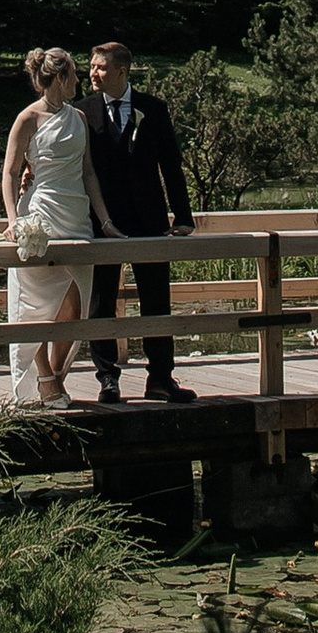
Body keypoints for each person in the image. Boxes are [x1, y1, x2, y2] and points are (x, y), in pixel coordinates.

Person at [0, 46, 115, 407]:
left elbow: (88, 172)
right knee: (35, 303)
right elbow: (10, 171)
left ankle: (55, 372)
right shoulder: (28, 118)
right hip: (41, 213)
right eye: (75, 75)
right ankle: (46, 381)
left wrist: (106, 222)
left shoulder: (78, 118)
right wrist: (13, 221)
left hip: (76, 215)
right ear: (60, 78)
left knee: (75, 302)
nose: (80, 81)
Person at [83, 41, 197, 403]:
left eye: (100, 67)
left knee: (156, 299)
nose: (93, 72)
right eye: (91, 66)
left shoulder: (153, 109)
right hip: (103, 220)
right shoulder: (82, 111)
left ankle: (161, 378)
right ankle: (107, 378)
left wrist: (183, 215)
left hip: (149, 218)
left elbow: (171, 165)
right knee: (101, 299)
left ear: (121, 71)